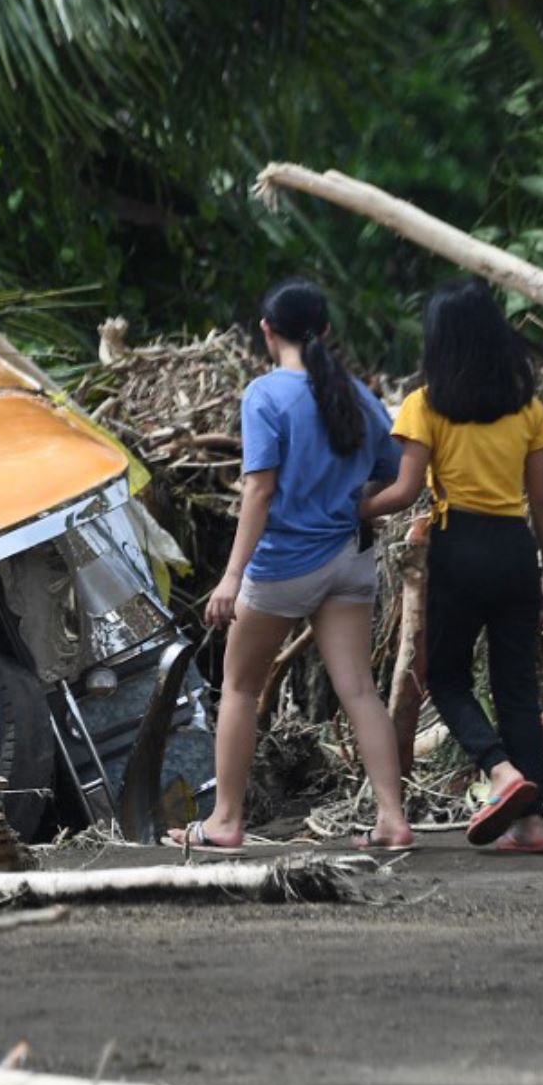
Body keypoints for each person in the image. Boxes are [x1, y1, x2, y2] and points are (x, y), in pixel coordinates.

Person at [168, 279, 414, 852]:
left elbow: (258, 491)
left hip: (284, 565)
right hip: (349, 559)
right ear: (326, 332)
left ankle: (226, 820)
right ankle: (392, 818)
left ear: (266, 331)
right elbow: (390, 467)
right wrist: (350, 501)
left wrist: (231, 576)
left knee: (239, 687)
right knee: (357, 689)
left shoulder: (265, 396)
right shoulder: (355, 394)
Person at [361, 279, 543, 853]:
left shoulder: (426, 404)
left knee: (446, 677)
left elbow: (402, 492)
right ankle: (532, 825)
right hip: (515, 548)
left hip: (461, 545)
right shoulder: (526, 408)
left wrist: (354, 508)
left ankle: (500, 773)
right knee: (517, 688)